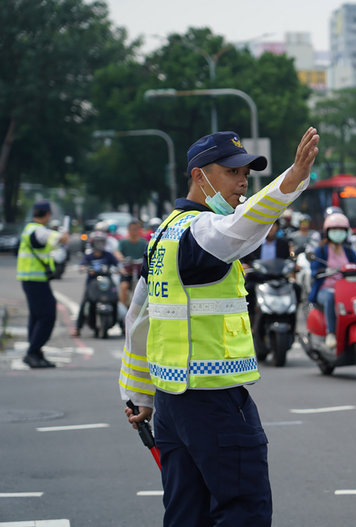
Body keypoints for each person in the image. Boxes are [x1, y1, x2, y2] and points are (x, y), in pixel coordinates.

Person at [120, 127, 319, 526]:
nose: (243, 181)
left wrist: (140, 394)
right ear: (199, 176)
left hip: (172, 403)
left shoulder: (164, 234)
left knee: (186, 514)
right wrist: (291, 181)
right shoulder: (200, 231)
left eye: (246, 172)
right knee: (244, 510)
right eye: (231, 172)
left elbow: (139, 319)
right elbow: (241, 226)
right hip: (213, 403)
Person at [16, 200, 69, 368]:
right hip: (35, 281)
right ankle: (32, 352)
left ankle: (36, 353)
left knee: (36, 316)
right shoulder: (37, 230)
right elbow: (50, 237)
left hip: (32, 280)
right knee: (47, 316)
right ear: (47, 215)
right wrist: (62, 237)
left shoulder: (28, 228)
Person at [308, 213, 356, 348]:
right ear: (327, 232)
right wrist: (321, 271)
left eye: (341, 230)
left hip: (347, 289)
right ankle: (331, 332)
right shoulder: (321, 250)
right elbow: (314, 269)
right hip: (325, 290)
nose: (338, 233)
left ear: (346, 232)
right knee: (331, 297)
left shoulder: (349, 251)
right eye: (334, 230)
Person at [72, 232, 119, 337]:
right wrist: (85, 268)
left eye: (102, 242)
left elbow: (118, 264)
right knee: (84, 302)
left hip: (107, 284)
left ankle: (123, 326)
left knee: (115, 300)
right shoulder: (89, 256)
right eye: (98, 242)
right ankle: (78, 328)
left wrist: (120, 269)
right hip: (92, 284)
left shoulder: (108, 255)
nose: (100, 245)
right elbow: (82, 266)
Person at [116, 220, 147, 307]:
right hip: (127, 271)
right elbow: (117, 252)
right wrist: (121, 258)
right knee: (124, 287)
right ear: (128, 230)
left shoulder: (143, 242)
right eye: (132, 229)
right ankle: (122, 310)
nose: (134, 231)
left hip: (140, 271)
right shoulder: (123, 242)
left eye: (136, 229)